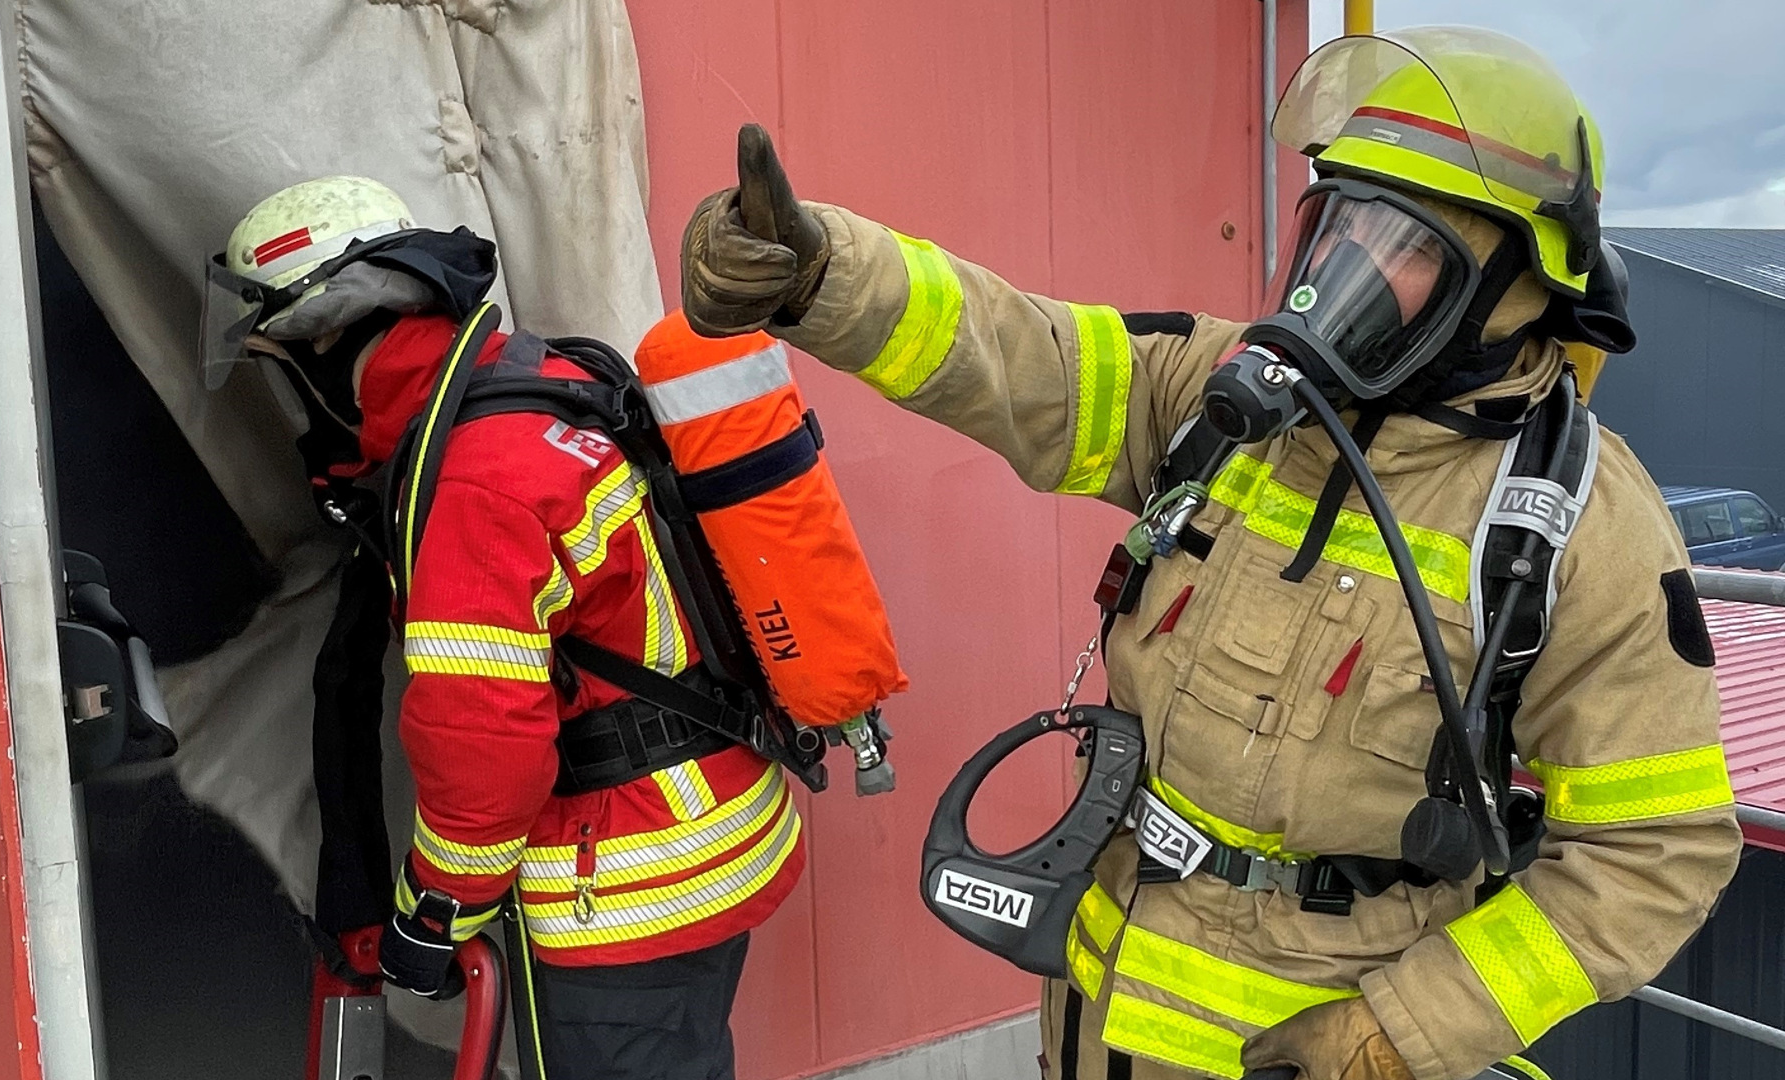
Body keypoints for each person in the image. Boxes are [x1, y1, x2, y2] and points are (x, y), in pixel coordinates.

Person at [678, 26, 1742, 1080]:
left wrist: (1404, 1033)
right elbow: (1019, 352)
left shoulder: (1582, 528)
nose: (1339, 285)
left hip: (1300, 1053)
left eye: (1403, 253)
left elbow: (1653, 856)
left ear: (1514, 288)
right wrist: (819, 275)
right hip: (1095, 1016)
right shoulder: (1223, 396)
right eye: (1335, 236)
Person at [202, 175, 803, 1080]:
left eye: (283, 363)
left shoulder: (472, 483)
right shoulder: (537, 382)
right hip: (712, 826)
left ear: (324, 337)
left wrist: (433, 915)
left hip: (627, 881)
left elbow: (483, 751)